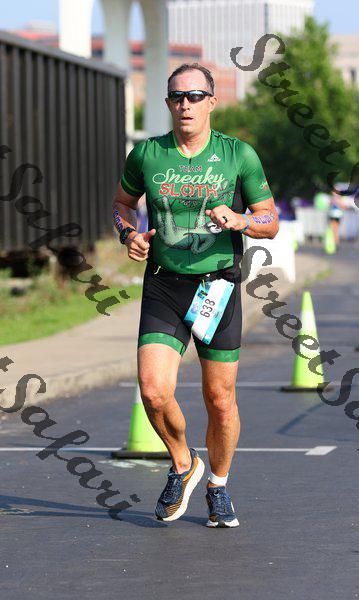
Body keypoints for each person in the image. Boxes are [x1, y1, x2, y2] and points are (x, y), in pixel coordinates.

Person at [112, 63, 278, 528]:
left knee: (219, 399)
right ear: (167, 103)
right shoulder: (146, 155)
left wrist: (242, 220)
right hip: (164, 283)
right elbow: (122, 205)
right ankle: (184, 464)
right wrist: (128, 234)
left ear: (212, 102)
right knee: (153, 390)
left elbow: (270, 220)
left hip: (217, 287)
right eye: (177, 96)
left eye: (195, 96)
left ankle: (218, 485)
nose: (185, 104)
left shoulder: (238, 155)